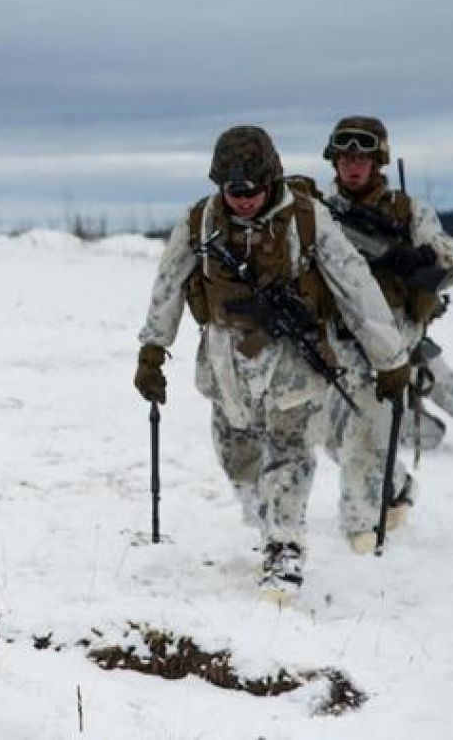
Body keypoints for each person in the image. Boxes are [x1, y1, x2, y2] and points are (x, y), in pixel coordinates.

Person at [133, 125, 409, 603]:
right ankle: (267, 519)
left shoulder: (307, 219)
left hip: (294, 364)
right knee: (237, 458)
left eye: (252, 189)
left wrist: (389, 358)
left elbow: (355, 286)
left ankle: (285, 550)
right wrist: (153, 350)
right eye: (232, 189)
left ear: (272, 180)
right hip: (226, 366)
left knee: (290, 454)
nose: (242, 199)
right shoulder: (199, 221)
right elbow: (168, 285)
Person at [316, 116, 453, 552]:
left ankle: (361, 538)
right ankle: (397, 487)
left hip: (389, 343)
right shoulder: (322, 212)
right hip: (335, 340)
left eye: (361, 157)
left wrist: (417, 257)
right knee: (328, 435)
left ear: (378, 159)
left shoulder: (409, 212)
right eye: (345, 157)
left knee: (363, 440)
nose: (352, 165)